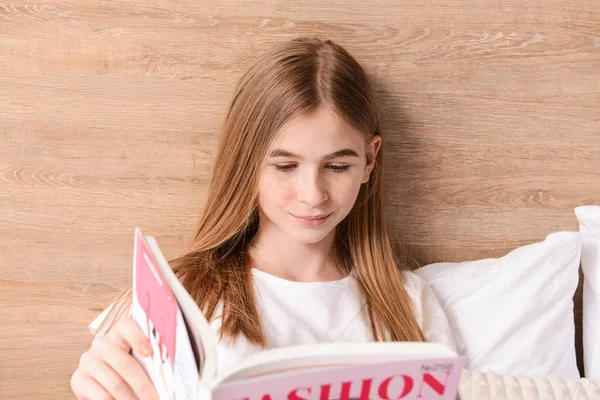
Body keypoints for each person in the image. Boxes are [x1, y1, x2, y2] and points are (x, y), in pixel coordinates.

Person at [71, 36, 458, 400]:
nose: (313, 194)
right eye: (286, 166)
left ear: (369, 160)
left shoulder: (409, 304)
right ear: (247, 162)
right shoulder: (181, 297)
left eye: (338, 166)